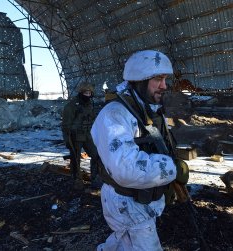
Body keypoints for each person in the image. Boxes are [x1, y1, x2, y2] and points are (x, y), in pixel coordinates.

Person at [91, 50, 188, 250]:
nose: (164, 86)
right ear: (139, 80)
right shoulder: (115, 114)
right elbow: (126, 168)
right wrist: (171, 169)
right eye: (158, 79)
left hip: (141, 200)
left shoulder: (147, 110)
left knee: (121, 243)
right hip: (127, 204)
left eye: (165, 79)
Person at [62, 83, 101, 189]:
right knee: (75, 159)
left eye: (89, 93)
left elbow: (92, 119)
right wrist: (67, 140)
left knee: (96, 155)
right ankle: (77, 180)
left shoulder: (90, 104)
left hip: (87, 134)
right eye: (85, 93)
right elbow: (65, 125)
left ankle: (96, 177)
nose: (87, 95)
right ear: (81, 93)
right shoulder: (72, 106)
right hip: (75, 135)